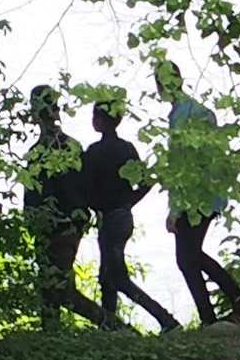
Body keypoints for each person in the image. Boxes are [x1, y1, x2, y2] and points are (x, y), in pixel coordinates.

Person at [78, 94, 182, 332]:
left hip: (110, 219)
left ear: (101, 120)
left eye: (95, 116)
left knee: (117, 278)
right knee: (107, 276)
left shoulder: (94, 152)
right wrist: (129, 202)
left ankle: (165, 320)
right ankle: (110, 326)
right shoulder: (127, 148)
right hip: (123, 217)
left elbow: (84, 187)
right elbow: (147, 181)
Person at [151, 72, 240, 326]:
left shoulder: (183, 116)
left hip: (195, 199)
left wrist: (175, 209)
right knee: (190, 256)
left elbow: (183, 166)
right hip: (210, 194)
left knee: (186, 258)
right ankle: (228, 304)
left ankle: (219, 312)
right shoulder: (196, 110)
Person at [20, 92, 103, 324]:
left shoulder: (39, 152)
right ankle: (51, 337)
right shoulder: (72, 147)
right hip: (68, 225)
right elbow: (87, 187)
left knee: (59, 290)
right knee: (51, 288)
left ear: (35, 113)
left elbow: (34, 195)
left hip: (56, 227)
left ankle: (114, 327)